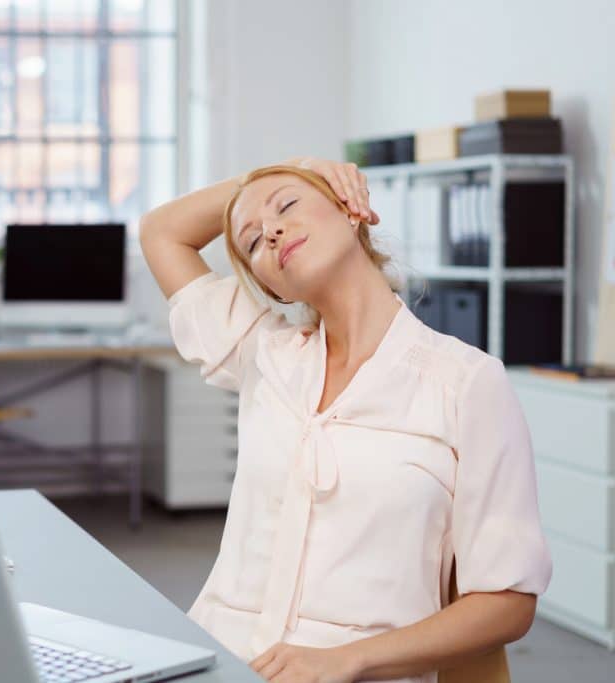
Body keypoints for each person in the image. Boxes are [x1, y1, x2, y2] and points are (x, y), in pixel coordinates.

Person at [139, 158, 551, 683]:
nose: (271, 230)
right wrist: (291, 168)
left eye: (287, 204)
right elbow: (162, 232)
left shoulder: (467, 383)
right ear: (273, 288)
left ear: (352, 209)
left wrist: (347, 659)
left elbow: (507, 601)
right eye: (252, 243)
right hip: (220, 661)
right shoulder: (263, 355)